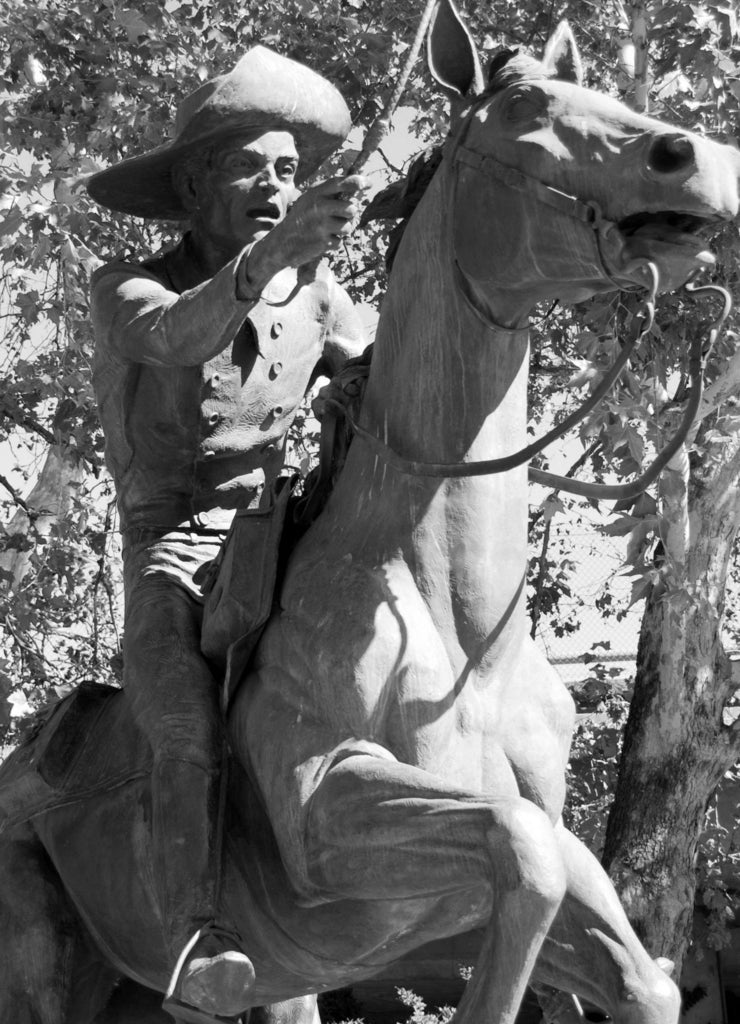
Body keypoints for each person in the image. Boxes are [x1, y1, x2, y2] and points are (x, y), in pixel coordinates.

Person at [87, 46, 366, 1024]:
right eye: (256, 166)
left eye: (291, 170)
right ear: (197, 181)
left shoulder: (317, 294)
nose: (277, 186)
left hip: (280, 526)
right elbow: (174, 337)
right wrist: (271, 260)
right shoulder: (126, 284)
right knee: (182, 718)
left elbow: (385, 364)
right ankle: (192, 940)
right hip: (173, 547)